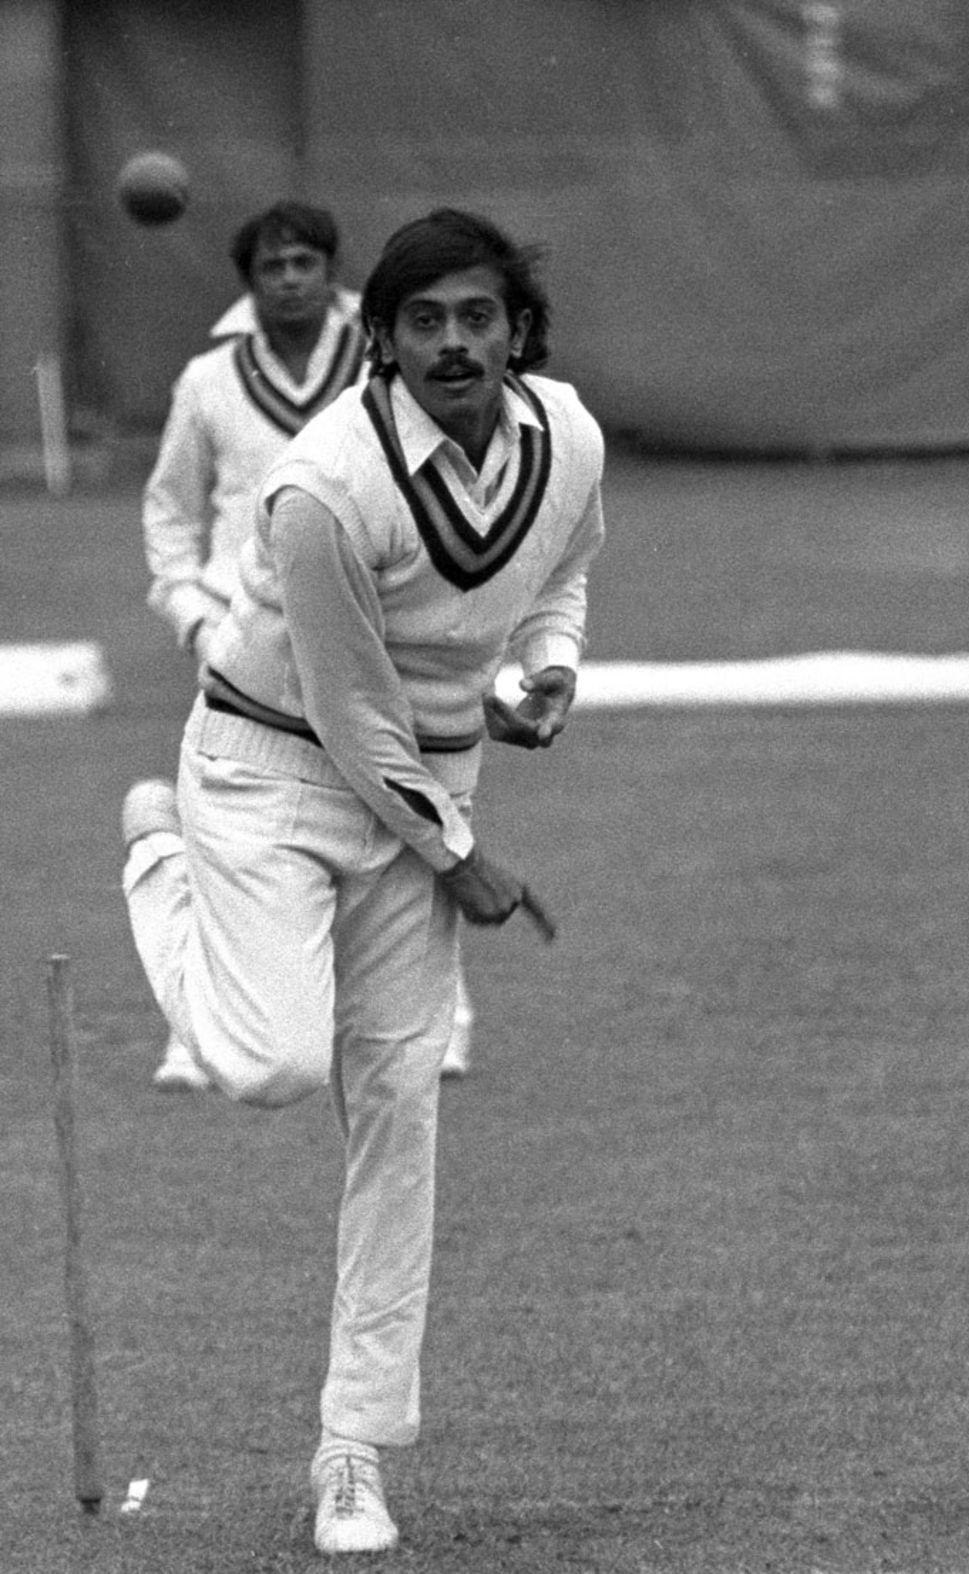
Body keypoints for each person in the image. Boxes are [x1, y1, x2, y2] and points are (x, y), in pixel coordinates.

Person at [119, 207, 605, 1553]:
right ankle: (159, 857)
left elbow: (560, 573)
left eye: (479, 316)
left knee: (399, 1111)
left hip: (428, 788)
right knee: (272, 1062)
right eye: (425, 321)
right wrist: (462, 857)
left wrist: (545, 668)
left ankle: (353, 1452)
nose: (456, 342)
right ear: (381, 343)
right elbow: (345, 708)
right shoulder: (322, 484)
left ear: (518, 329)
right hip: (271, 768)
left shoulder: (571, 436)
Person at [140, 198, 475, 1086]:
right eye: (271, 268)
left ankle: (439, 1018)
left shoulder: (386, 367)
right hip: (240, 634)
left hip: (374, 624)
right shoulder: (208, 381)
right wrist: (189, 611)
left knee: (415, 799)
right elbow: (171, 511)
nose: (290, 280)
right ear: (248, 287)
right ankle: (203, 1021)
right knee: (238, 825)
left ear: (332, 273)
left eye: (304, 264)